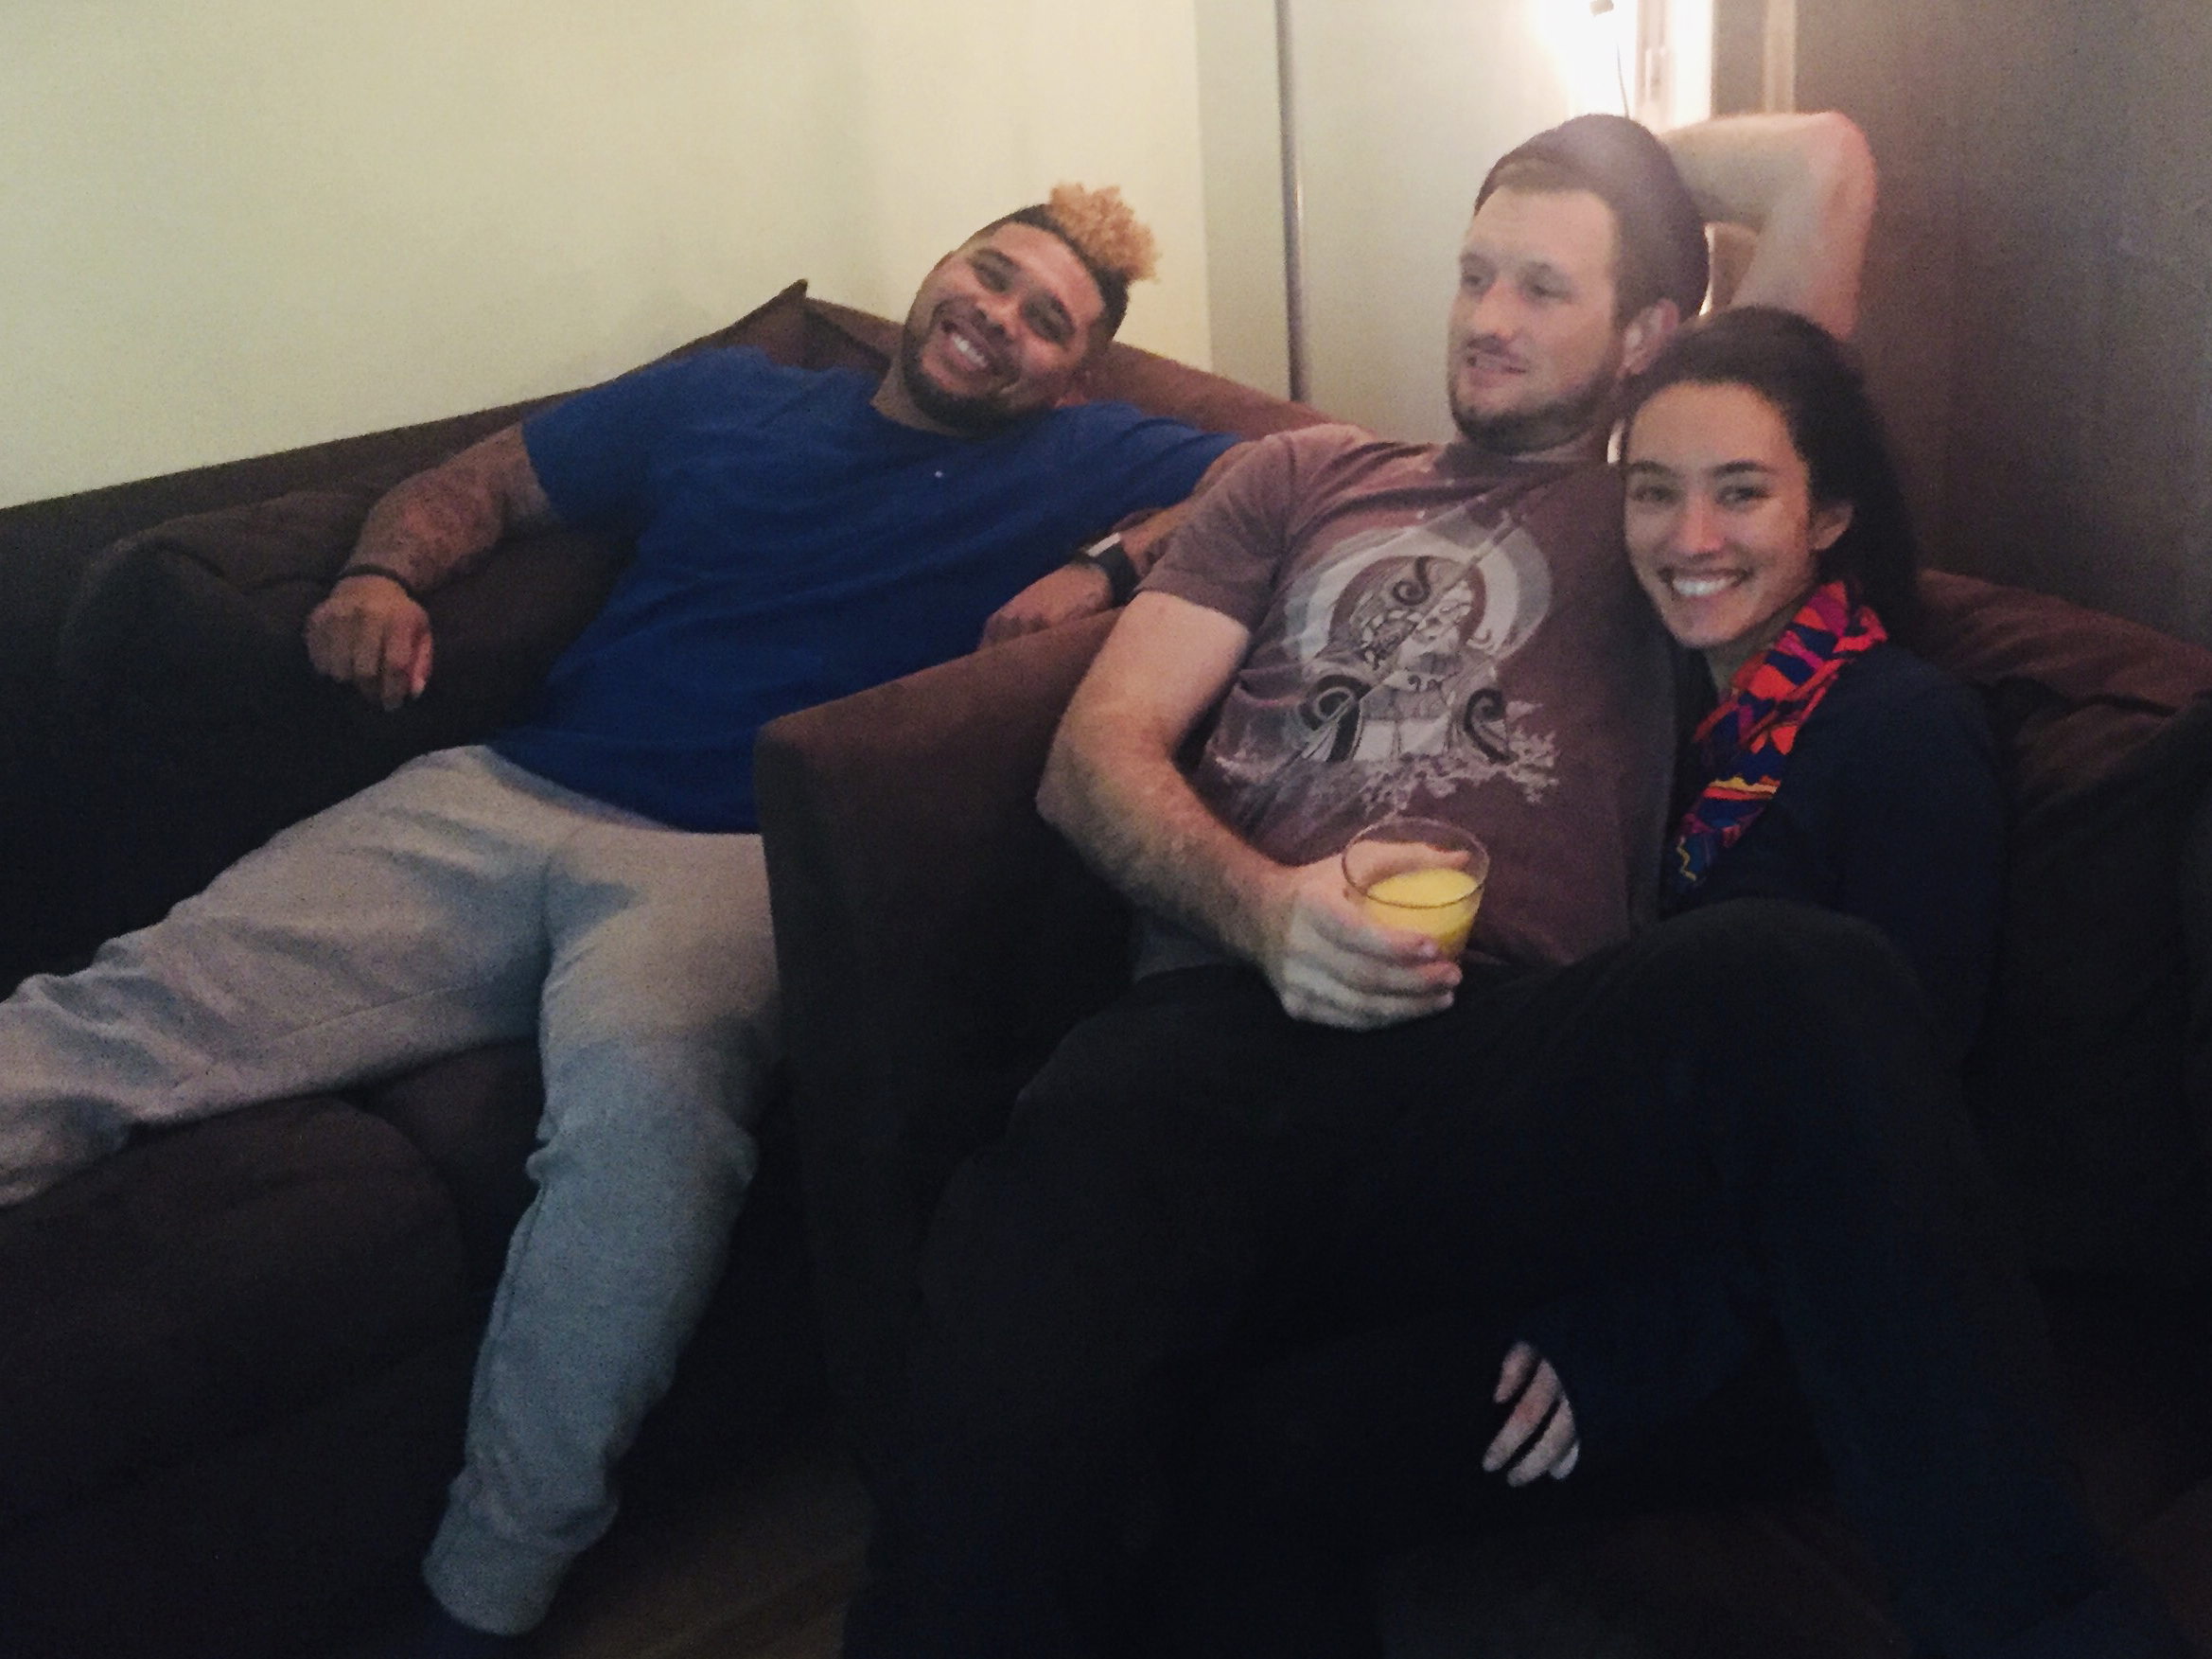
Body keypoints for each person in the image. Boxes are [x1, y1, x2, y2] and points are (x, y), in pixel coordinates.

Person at [846, 118, 2186, 1659]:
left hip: (1494, 1061)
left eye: (1546, 287)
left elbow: (1817, 165)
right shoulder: (1294, 478)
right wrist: (1265, 914)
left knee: (1788, 976)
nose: (1487, 316)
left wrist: (1602, 148)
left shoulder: (1658, 508)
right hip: (1219, 1031)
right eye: (1475, 271)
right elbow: (1093, 759)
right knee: (1082, 1200)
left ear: (1646, 337)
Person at [0, 184, 1239, 1656]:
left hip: (727, 864)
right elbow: (486, 483)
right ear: (937, 270)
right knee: (119, 1007)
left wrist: (1102, 564)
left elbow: (1310, 469)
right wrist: (383, 569)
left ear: (1073, 371)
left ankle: (482, 1598)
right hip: (505, 793)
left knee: (647, 1150)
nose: (1003, 320)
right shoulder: (729, 400)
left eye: (1051, 320)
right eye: (993, 274)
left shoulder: (1089, 452)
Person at [1154, 304, 2029, 1655]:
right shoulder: (1666, 717)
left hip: (1767, 1312)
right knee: (1223, 1389)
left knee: (1287, 1453)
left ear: (1830, 511)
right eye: (1652, 492)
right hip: (1605, 1220)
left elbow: (1888, 1123)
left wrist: (1636, 1340)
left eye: (1740, 493)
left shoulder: (1901, 730)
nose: (1689, 540)